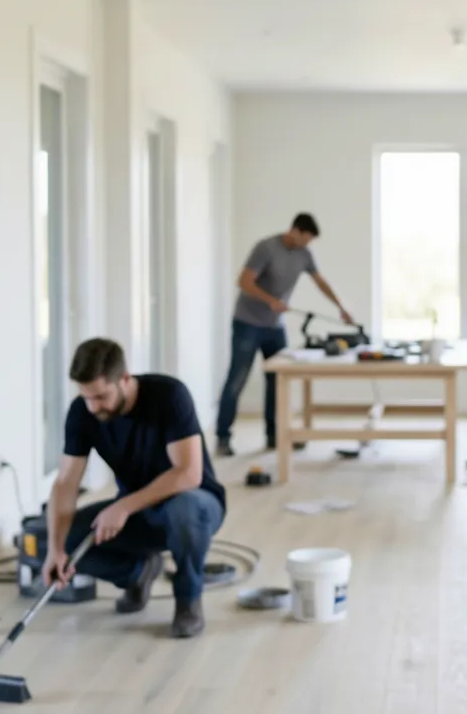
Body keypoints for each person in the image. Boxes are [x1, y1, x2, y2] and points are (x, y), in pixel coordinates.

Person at [42, 337, 227, 639]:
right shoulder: (82, 413)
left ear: (124, 379)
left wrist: (123, 506)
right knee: (55, 536)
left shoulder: (169, 396)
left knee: (186, 508)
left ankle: (188, 601)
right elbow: (65, 484)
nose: (93, 406)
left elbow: (188, 474)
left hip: (195, 504)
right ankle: (138, 572)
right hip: (139, 512)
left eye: (100, 396)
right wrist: (55, 549)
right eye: (86, 397)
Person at [214, 213, 353, 456]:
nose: (306, 245)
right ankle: (223, 438)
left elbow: (320, 282)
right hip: (247, 323)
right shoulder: (266, 248)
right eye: (305, 239)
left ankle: (274, 436)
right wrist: (271, 300)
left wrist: (340, 307)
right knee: (237, 379)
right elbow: (244, 281)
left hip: (275, 327)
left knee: (278, 382)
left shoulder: (304, 254)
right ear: (295, 231)